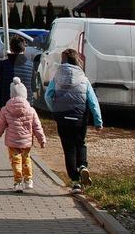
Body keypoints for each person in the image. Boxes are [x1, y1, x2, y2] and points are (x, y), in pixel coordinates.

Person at [44, 48, 103, 192]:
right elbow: (92, 101)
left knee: (69, 148)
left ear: (63, 61)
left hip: (62, 118)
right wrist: (98, 121)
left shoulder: (57, 77)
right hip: (79, 117)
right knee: (80, 143)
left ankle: (75, 181)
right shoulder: (84, 79)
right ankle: (83, 166)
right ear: (77, 60)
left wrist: (54, 109)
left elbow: (47, 96)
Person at [0, 77, 47, 192]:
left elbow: (0, 125)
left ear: (11, 94)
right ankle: (29, 180)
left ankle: (18, 182)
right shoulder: (31, 110)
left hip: (12, 142)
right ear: (25, 94)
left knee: (15, 160)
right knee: (26, 159)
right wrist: (42, 140)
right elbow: (37, 126)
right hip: (26, 142)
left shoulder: (5, 109)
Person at [0, 35, 35, 110]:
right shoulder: (31, 65)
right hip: (26, 105)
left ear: (10, 48)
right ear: (24, 48)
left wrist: (0, 104)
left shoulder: (4, 64)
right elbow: (34, 87)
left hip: (7, 104)